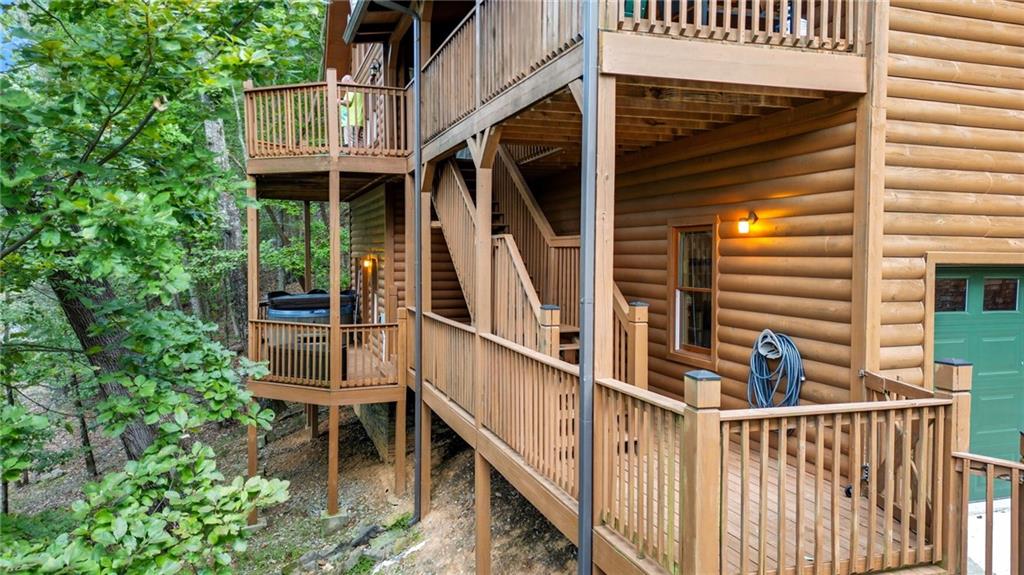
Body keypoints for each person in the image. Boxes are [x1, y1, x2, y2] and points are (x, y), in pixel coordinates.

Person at [340, 74, 364, 148]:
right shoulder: (360, 89)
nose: (344, 87)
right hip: (359, 118)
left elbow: (348, 102)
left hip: (350, 119)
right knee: (358, 139)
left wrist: (338, 101)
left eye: (344, 84)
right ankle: (359, 155)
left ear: (348, 81)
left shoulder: (351, 89)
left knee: (349, 140)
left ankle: (351, 154)